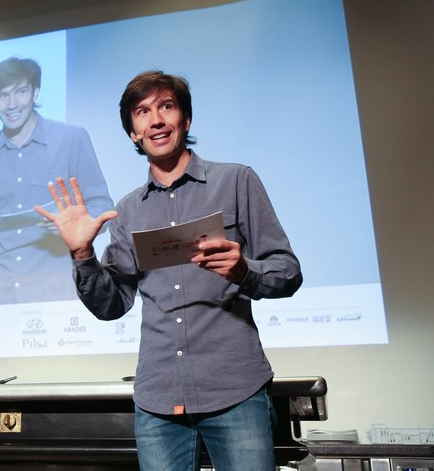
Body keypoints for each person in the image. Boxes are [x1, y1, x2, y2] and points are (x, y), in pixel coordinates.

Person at [35, 71, 302, 471]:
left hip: (235, 390)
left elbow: (288, 271)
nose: (156, 120)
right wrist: (82, 254)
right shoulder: (128, 211)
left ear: (185, 119)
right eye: (142, 112)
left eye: (166, 107)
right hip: (158, 400)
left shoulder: (236, 181)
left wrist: (245, 271)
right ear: (133, 133)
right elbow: (112, 305)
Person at [0, 57, 113, 305]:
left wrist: (76, 223)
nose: (12, 104)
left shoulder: (72, 140)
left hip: (55, 294)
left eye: (21, 91)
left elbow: (101, 206)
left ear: (35, 92)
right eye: (2, 95)